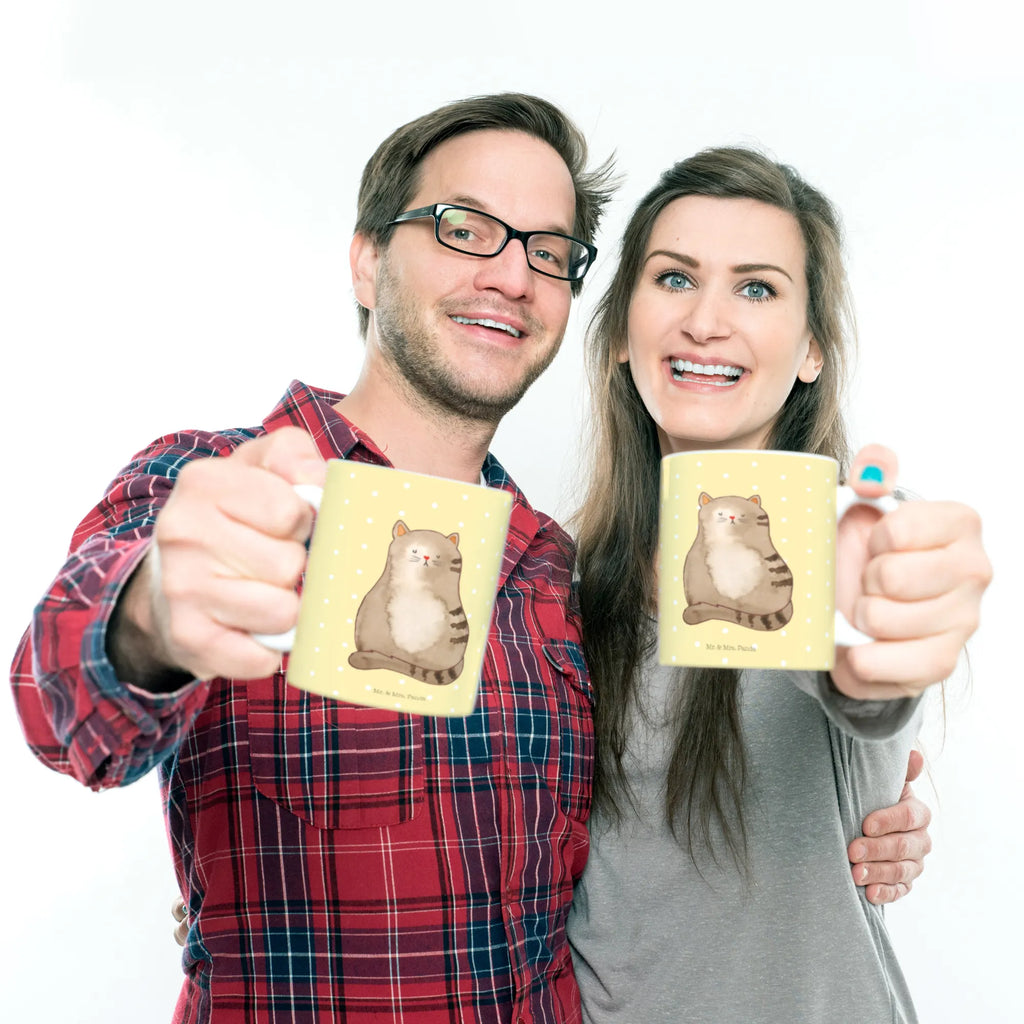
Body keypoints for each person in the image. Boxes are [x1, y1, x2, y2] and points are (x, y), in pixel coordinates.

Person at [11, 94, 936, 1024]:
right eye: (465, 229)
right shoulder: (216, 488)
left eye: (547, 251)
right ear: (368, 260)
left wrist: (869, 778)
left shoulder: (554, 575)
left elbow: (813, 714)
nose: (510, 275)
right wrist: (152, 617)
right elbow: (62, 704)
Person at [566, 147, 992, 1023]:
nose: (706, 321)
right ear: (618, 334)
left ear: (811, 351)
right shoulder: (562, 585)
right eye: (675, 278)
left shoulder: (850, 543)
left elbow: (867, 683)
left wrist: (884, 642)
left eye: (756, 288)